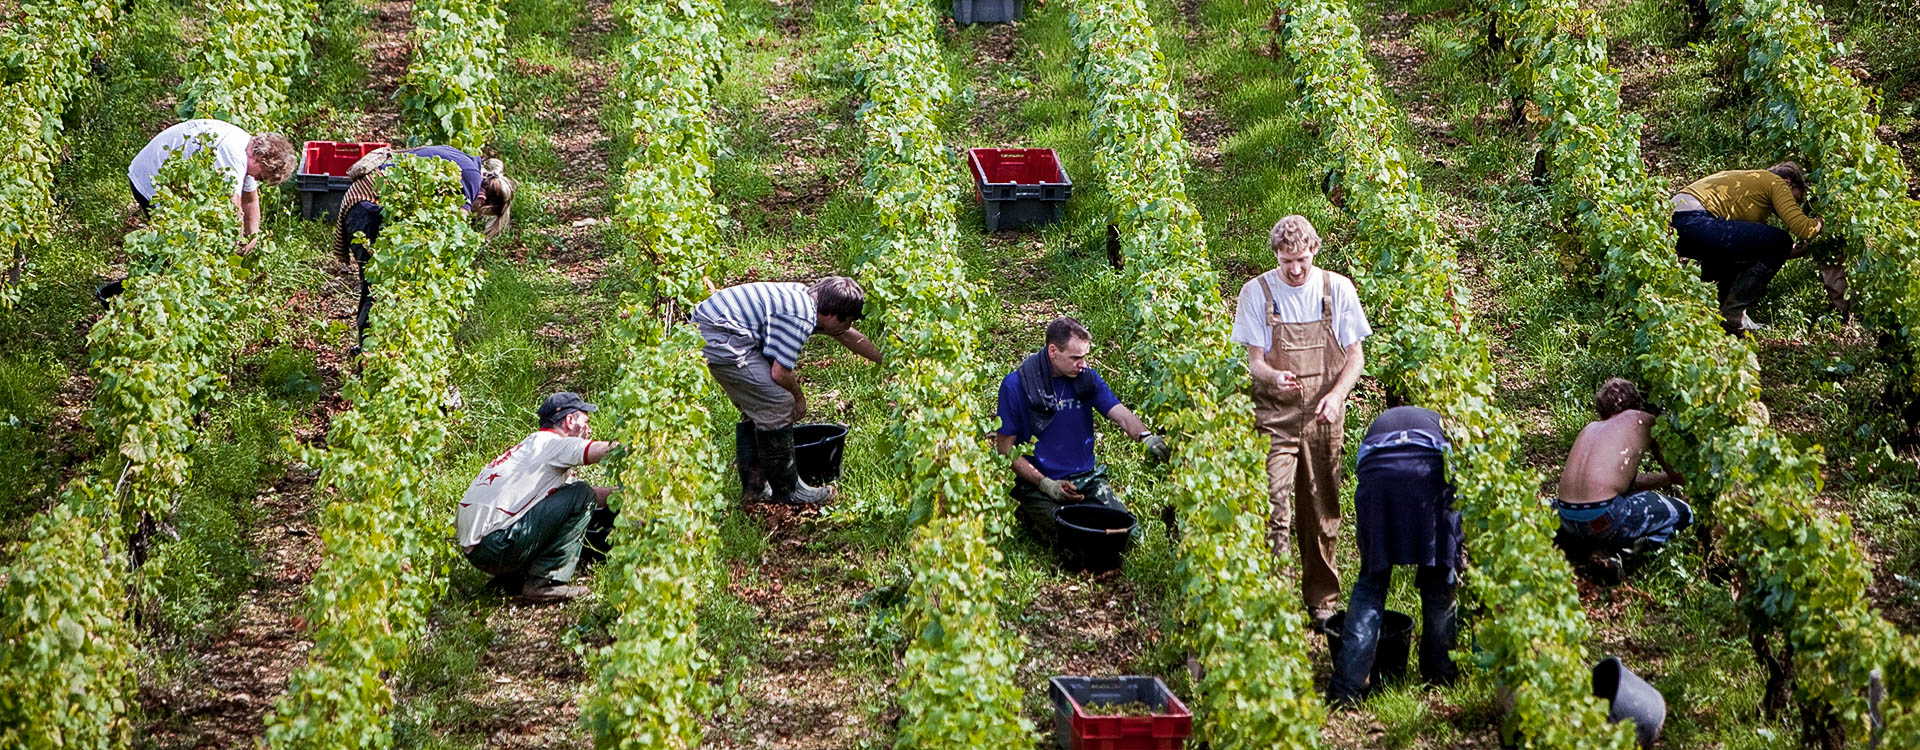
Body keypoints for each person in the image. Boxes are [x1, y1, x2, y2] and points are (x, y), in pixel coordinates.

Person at [1231, 215, 1371, 627]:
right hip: (1275, 415)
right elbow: (1255, 361)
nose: (1294, 269)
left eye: (1301, 261)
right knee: (1274, 504)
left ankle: (1321, 600)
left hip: (1325, 416)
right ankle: (1276, 598)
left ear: (1315, 251)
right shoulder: (1256, 292)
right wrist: (1274, 375)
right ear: (1275, 255)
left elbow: (1355, 357)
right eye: (1285, 260)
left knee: (1321, 506)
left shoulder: (1337, 289)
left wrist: (1336, 395)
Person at [693, 276, 883, 506]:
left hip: (716, 327)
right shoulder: (800, 317)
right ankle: (789, 491)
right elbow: (780, 373)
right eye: (848, 321)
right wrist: (799, 399)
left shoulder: (807, 299)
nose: (848, 327)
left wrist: (888, 360)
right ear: (832, 314)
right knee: (778, 402)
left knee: (760, 404)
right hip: (721, 337)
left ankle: (756, 490)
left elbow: (846, 335)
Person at [992, 317, 1169, 555]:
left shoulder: (1086, 379)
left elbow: (1120, 414)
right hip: (1041, 483)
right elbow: (1005, 450)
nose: (1083, 364)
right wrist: (1046, 484)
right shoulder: (1016, 386)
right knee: (1074, 539)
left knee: (1126, 534)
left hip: (1086, 479)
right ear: (1053, 351)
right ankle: (1032, 516)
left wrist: (1147, 437)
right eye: (1076, 358)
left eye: (1085, 356)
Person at [1329, 406, 1460, 706]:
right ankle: (1439, 676)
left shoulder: (1382, 424)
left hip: (1379, 476)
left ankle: (1346, 688)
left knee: (1372, 581)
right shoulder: (1446, 424)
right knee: (1439, 577)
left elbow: (1362, 469)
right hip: (1430, 470)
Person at [334, 146, 516, 351]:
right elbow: (454, 230)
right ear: (482, 200)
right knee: (378, 285)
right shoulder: (472, 180)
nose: (474, 211)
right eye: (478, 210)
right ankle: (370, 354)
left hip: (364, 199)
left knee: (381, 283)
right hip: (368, 206)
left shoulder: (467, 163)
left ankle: (375, 349)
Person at [101, 119, 296, 305]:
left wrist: (252, 238)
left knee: (186, 243)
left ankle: (167, 285)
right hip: (151, 179)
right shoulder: (232, 153)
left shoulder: (247, 147)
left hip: (170, 180)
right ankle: (156, 291)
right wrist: (233, 247)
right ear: (261, 159)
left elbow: (251, 200)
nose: (256, 179)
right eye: (261, 176)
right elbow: (233, 206)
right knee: (175, 242)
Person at [456, 392, 619, 602]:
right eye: (585, 421)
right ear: (570, 421)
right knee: (582, 494)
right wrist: (641, 445)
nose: (589, 429)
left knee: (579, 494)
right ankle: (546, 583)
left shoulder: (533, 448)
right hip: (496, 545)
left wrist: (623, 495)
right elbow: (603, 453)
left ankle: (514, 578)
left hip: (478, 550)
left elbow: (575, 501)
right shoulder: (552, 444)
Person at [1554, 379, 1693, 579]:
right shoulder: (1643, 420)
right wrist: (1674, 478)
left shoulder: (1591, 428)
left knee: (1592, 517)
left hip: (1566, 515)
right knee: (1682, 512)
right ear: (1637, 404)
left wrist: (1665, 480)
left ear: (1601, 412)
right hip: (1605, 516)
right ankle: (1620, 555)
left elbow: (1626, 484)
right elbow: (1678, 475)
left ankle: (1581, 550)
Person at [1671, 162, 1825, 333]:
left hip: (1678, 223)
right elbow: (1804, 229)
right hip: (1694, 220)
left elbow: (1764, 252)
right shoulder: (1775, 182)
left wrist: (1801, 250)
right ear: (1788, 182)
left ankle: (1714, 313)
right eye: (1795, 199)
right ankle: (1732, 317)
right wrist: (1821, 222)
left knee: (1747, 253)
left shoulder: (1750, 188)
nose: (1793, 204)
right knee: (1780, 239)